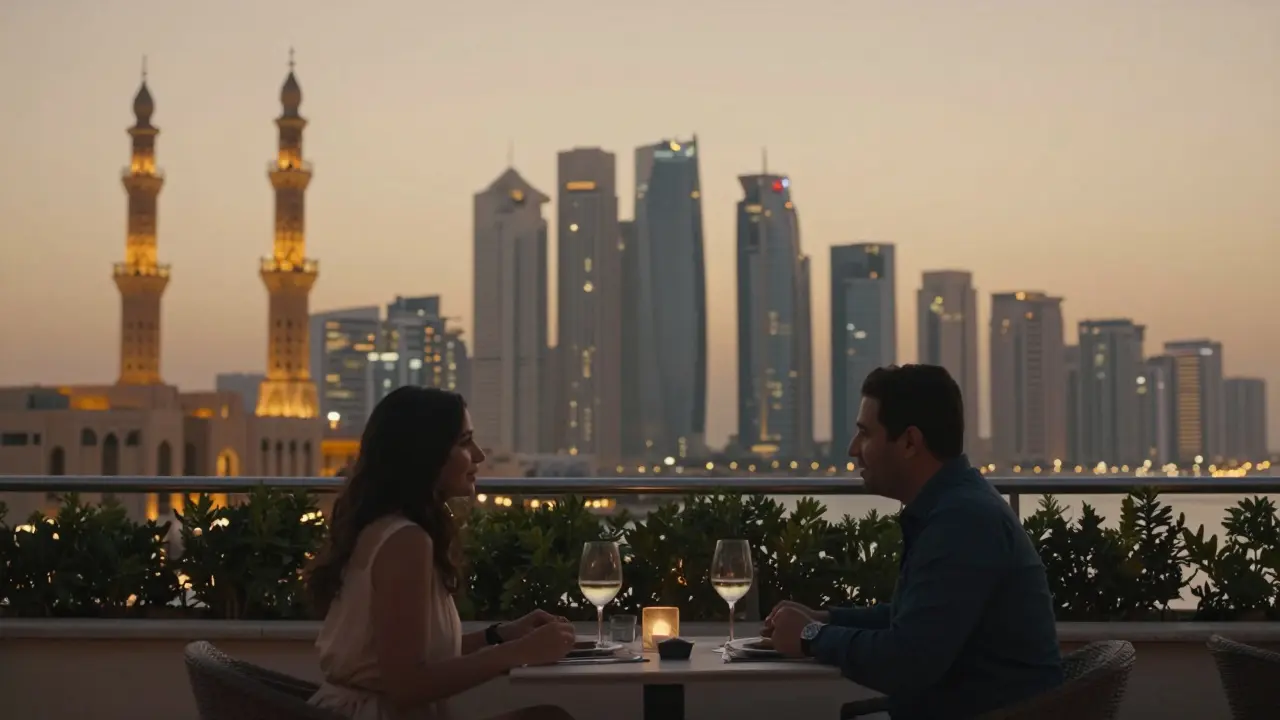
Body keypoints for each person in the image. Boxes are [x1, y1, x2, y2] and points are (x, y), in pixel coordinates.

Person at [763, 364, 1062, 720]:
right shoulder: (954, 507)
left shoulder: (962, 521)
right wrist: (825, 618)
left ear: (909, 442)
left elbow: (906, 660)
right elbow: (916, 620)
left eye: (865, 433)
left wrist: (811, 634)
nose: (852, 449)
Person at [305, 386, 578, 720]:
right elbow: (407, 686)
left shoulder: (386, 528)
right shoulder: (405, 540)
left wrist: (500, 635)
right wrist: (517, 652)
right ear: (426, 453)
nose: (478, 454)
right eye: (464, 442)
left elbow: (413, 655)